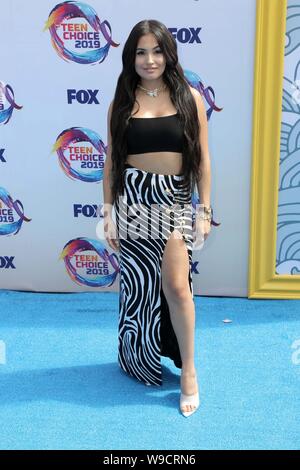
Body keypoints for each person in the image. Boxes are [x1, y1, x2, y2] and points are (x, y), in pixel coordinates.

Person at [103, 19, 213, 417]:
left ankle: (189, 372)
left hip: (172, 200)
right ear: (130, 57)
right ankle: (139, 356)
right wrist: (109, 212)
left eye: (157, 51)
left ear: (169, 53)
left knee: (177, 286)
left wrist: (204, 209)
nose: (150, 60)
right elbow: (111, 163)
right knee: (138, 288)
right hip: (133, 199)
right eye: (140, 52)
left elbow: (202, 159)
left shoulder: (190, 98)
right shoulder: (122, 101)